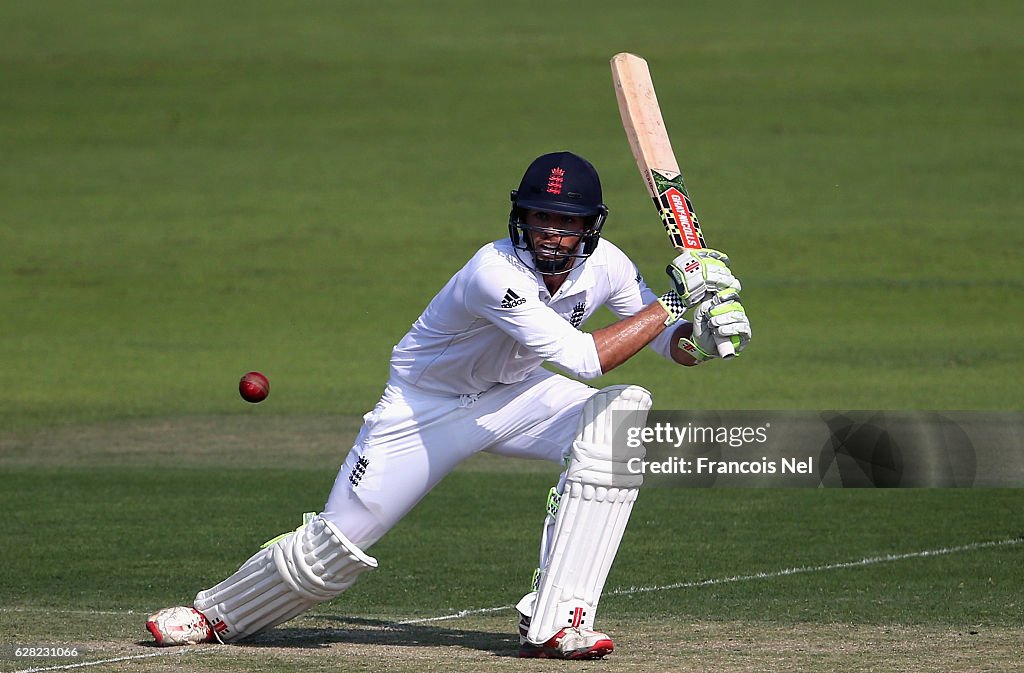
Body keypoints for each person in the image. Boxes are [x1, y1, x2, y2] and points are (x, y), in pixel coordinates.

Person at [145, 151, 751, 659]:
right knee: (329, 558)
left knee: (623, 414)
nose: (550, 232)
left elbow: (665, 346)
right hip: (422, 411)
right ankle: (214, 615)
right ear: (520, 217)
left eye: (564, 221)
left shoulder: (609, 265)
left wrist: (705, 331)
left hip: (516, 395)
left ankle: (557, 622)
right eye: (538, 217)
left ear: (590, 225)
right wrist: (677, 299)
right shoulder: (495, 272)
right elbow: (586, 358)